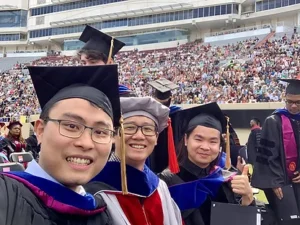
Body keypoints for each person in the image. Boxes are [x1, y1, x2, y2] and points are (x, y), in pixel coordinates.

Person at [0, 65, 121, 225]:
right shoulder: (5, 196)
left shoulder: (104, 214)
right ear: (40, 130)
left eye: (100, 132)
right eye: (71, 126)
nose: (86, 143)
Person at [85, 97, 182, 225]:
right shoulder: (92, 190)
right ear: (113, 134)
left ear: (157, 138)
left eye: (147, 129)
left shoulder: (159, 186)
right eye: (129, 127)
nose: (139, 136)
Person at [159, 102, 255, 225]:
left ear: (220, 145)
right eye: (198, 139)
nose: (205, 147)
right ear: (186, 140)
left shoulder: (226, 178)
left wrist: (248, 198)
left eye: (213, 141)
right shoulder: (167, 181)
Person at [252, 79, 300, 225]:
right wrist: (274, 182)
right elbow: (267, 155)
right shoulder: (274, 121)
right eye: (289, 101)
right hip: (284, 183)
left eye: (298, 102)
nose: (293, 106)